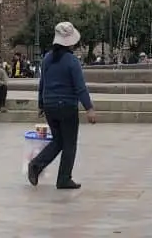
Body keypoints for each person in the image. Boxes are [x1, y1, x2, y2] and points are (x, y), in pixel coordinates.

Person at [28, 22, 97, 190]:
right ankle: (64, 178)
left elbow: (42, 84)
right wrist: (89, 108)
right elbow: (80, 87)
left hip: (50, 106)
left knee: (58, 141)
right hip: (67, 107)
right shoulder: (72, 61)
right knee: (69, 144)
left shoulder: (47, 59)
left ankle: (36, 165)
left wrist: (40, 104)